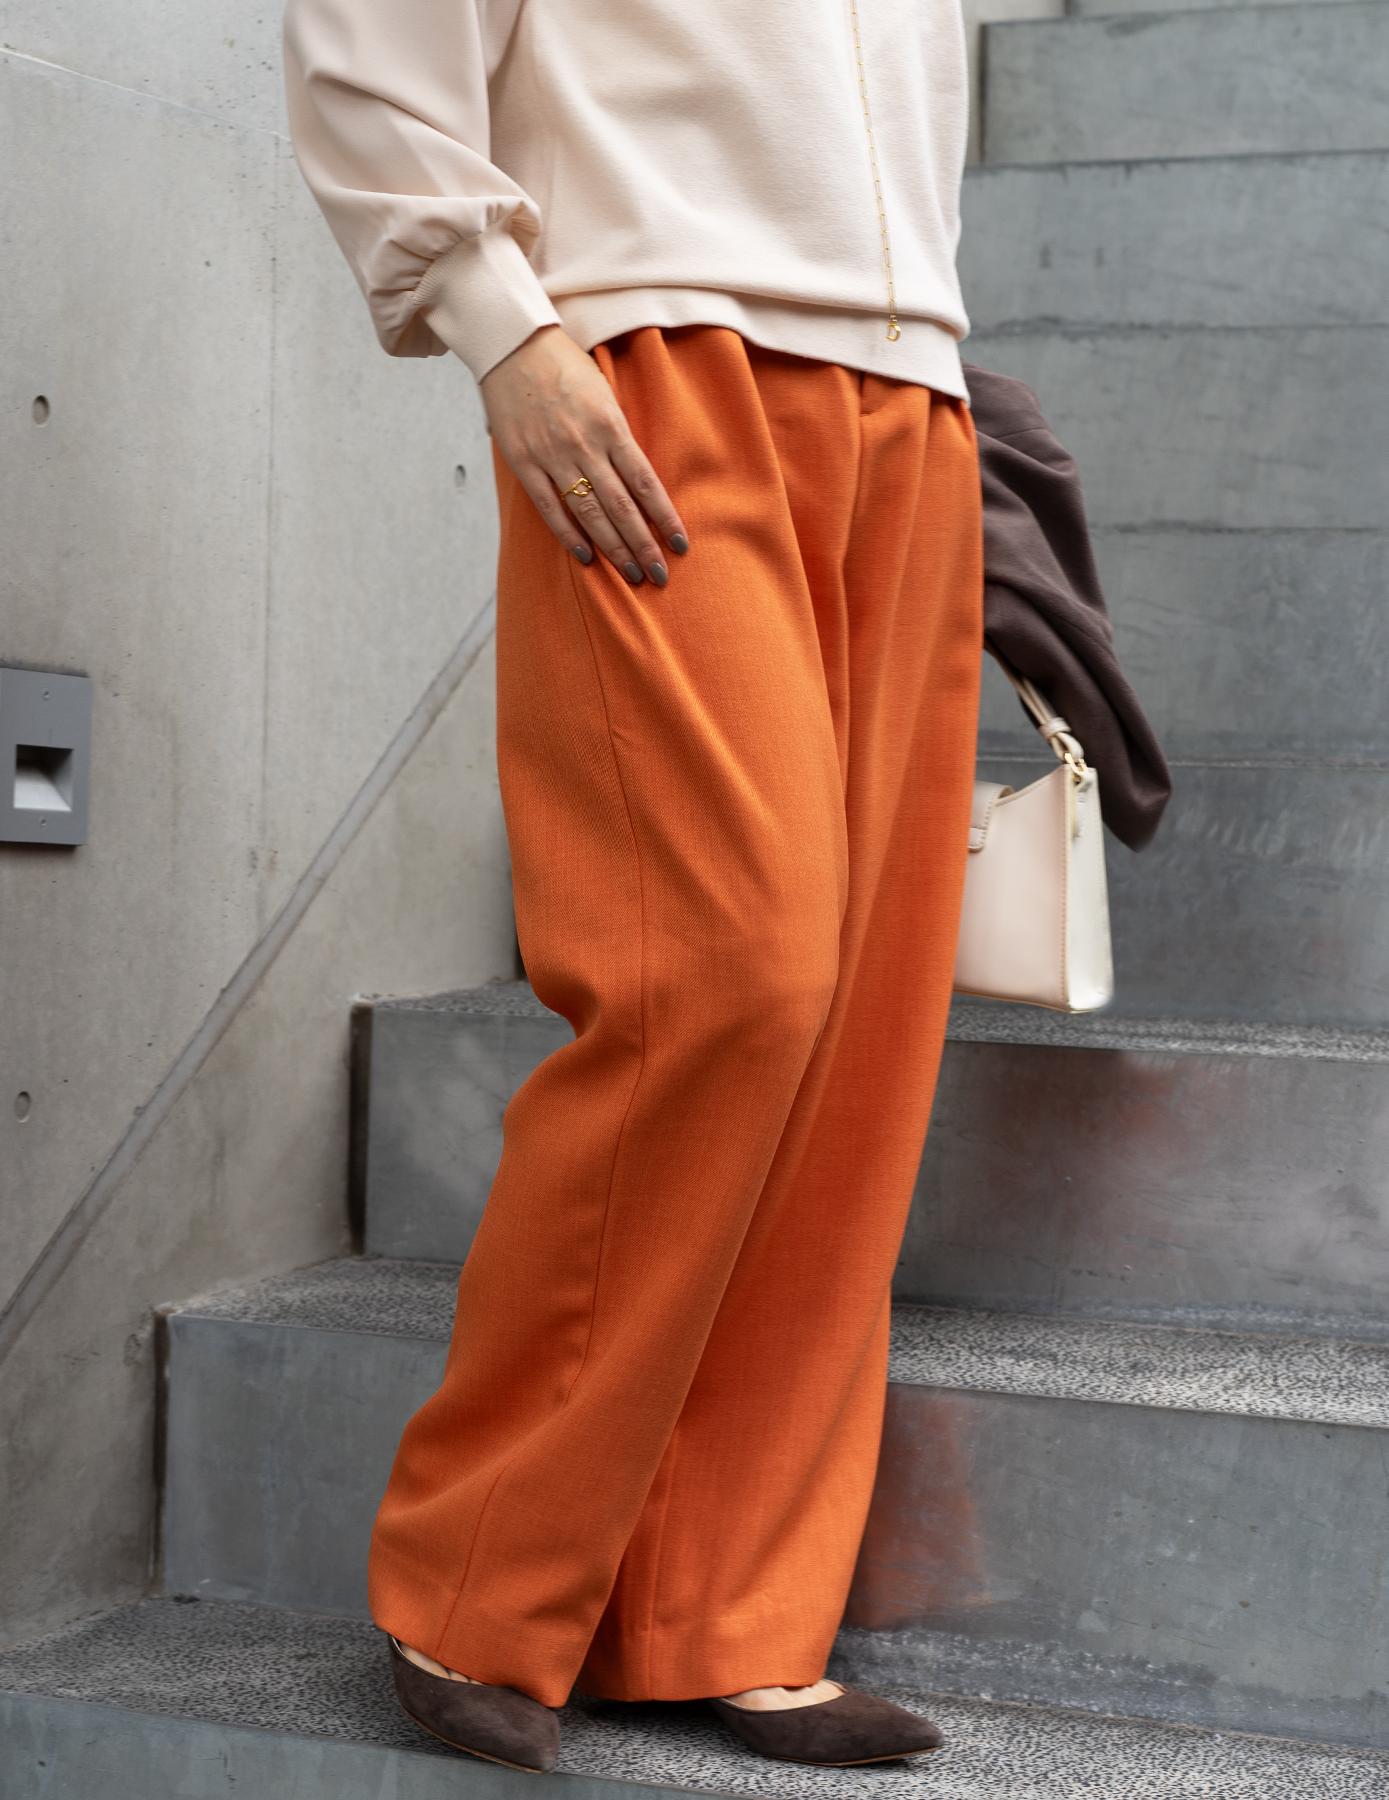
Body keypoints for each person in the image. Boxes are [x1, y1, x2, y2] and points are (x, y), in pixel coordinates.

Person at [281, 0, 983, 1774]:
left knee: (855, 1035)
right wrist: (501, 323)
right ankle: (473, 1580)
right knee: (724, 976)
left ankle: (721, 1613)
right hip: (654, 363)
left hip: (913, 400)